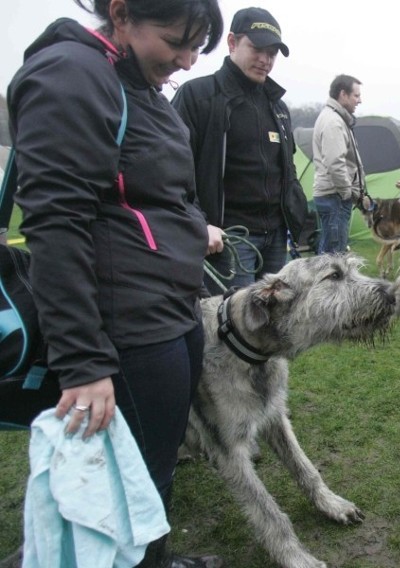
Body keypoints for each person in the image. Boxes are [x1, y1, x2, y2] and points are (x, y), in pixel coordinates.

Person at [7, 0, 226, 565]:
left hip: (170, 307)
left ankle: (152, 558)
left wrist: (190, 228)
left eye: (196, 46)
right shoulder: (71, 74)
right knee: (122, 480)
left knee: (150, 469)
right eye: (175, 40)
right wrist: (83, 361)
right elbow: (56, 222)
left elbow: (148, 193)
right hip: (125, 324)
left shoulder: (140, 84)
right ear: (122, 13)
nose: (184, 59)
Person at [172, 7, 308, 294]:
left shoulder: (278, 107)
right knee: (232, 328)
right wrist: (200, 224)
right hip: (228, 240)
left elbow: (288, 170)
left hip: (275, 238)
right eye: (257, 48)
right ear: (232, 42)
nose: (265, 60)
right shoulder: (198, 96)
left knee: (272, 325)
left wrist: (297, 217)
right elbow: (172, 171)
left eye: (272, 53)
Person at [312, 74, 366, 254]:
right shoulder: (333, 122)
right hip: (334, 197)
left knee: (330, 253)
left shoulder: (336, 118)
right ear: (343, 94)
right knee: (333, 259)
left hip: (333, 196)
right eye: (356, 96)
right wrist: (346, 193)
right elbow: (336, 163)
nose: (359, 100)